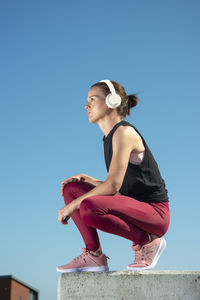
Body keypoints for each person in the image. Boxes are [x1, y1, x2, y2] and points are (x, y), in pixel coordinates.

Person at [57, 80, 170, 273]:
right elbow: (121, 187)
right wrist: (88, 180)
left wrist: (72, 206)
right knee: (72, 189)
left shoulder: (124, 132)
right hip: (133, 205)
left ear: (112, 100)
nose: (86, 105)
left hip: (154, 213)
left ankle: (147, 241)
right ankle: (94, 255)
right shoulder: (108, 139)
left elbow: (113, 187)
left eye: (92, 99)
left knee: (87, 206)